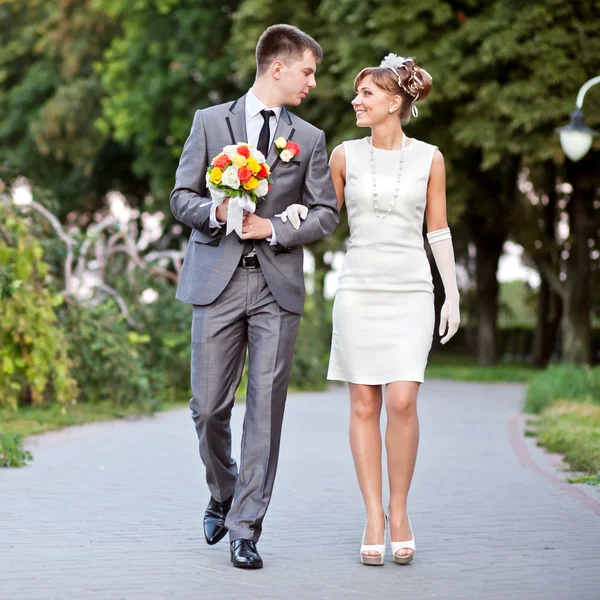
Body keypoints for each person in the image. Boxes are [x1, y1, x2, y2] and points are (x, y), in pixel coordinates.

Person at [170, 24, 339, 569]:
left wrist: (278, 231)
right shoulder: (208, 122)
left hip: (275, 286)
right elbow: (180, 196)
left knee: (265, 412)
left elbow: (326, 214)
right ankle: (223, 491)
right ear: (278, 68)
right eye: (308, 71)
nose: (312, 82)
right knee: (207, 409)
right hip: (216, 281)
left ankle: (246, 526)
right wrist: (217, 212)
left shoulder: (309, 140)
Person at [326, 54, 460, 565]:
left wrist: (452, 293)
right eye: (357, 94)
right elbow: (323, 217)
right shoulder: (343, 155)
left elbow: (438, 230)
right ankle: (373, 517)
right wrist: (290, 214)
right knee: (364, 404)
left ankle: (399, 511)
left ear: (396, 102)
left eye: (366, 94)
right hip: (358, 288)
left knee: (402, 400)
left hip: (410, 291)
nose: (356, 101)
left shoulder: (431, 157)